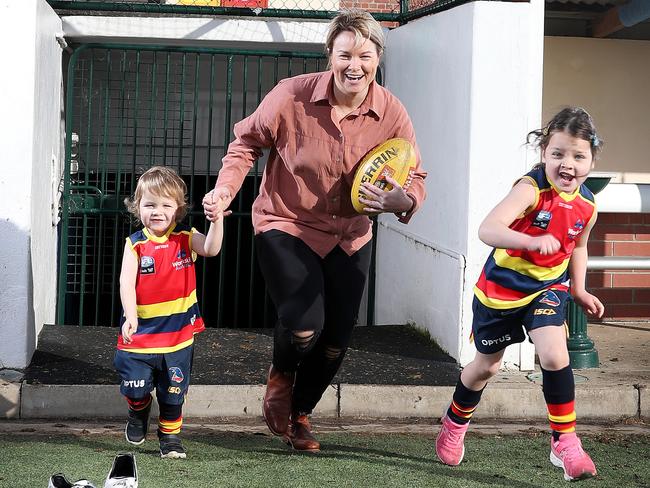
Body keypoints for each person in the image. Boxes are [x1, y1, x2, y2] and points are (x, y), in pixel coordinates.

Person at [203, 9, 427, 452]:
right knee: (305, 326)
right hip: (287, 222)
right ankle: (282, 373)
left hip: (350, 234)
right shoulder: (291, 96)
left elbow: (415, 173)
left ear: (378, 57)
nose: (354, 65)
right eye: (345, 54)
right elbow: (246, 141)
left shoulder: (391, 112)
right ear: (330, 54)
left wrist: (406, 201)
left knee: (335, 340)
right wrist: (225, 191)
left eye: (365, 55)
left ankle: (301, 414)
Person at [435, 107, 605, 481]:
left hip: (548, 288)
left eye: (578, 156)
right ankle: (454, 422)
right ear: (544, 152)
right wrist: (529, 239)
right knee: (486, 367)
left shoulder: (588, 204)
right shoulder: (529, 190)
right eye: (558, 154)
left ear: (592, 160)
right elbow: (488, 228)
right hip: (500, 293)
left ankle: (565, 442)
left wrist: (578, 288)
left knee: (554, 352)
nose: (567, 164)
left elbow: (578, 246)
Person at [114, 166, 225, 459]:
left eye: (166, 205)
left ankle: (169, 436)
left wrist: (218, 221)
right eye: (150, 204)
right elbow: (126, 282)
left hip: (177, 337)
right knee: (136, 390)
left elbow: (212, 249)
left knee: (173, 393)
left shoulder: (186, 239)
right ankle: (138, 412)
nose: (158, 211)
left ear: (178, 209)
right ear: (138, 208)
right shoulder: (135, 244)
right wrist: (131, 315)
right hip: (138, 336)